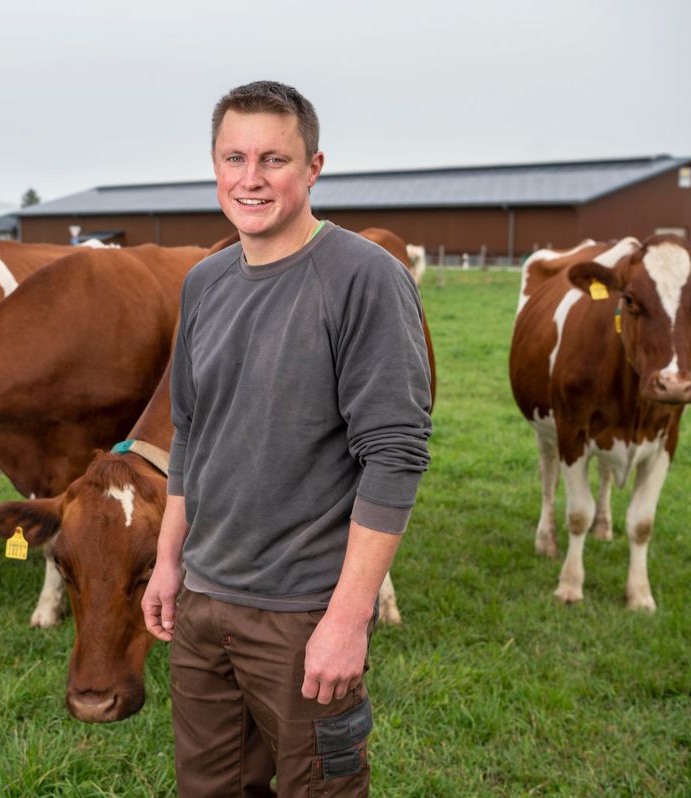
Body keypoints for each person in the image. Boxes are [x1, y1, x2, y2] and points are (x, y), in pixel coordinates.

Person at [141, 80, 433, 796]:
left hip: (303, 613)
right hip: (204, 605)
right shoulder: (204, 282)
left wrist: (347, 617)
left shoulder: (365, 278)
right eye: (233, 157)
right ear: (213, 166)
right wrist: (168, 561)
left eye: (273, 159)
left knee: (318, 788)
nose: (251, 178)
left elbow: (394, 456)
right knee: (207, 788)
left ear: (314, 167)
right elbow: (192, 433)